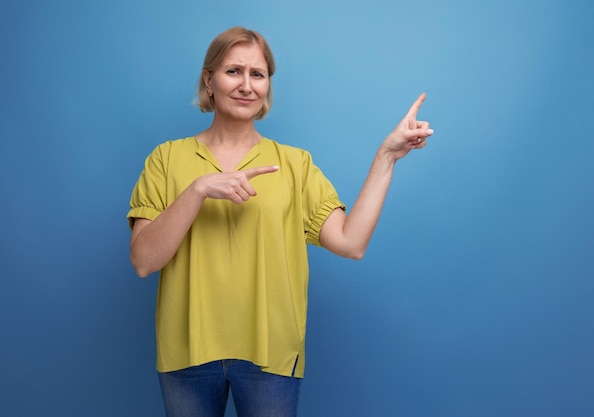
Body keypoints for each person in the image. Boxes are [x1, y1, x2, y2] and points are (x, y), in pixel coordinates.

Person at [127, 26, 433, 417]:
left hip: (271, 357)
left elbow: (351, 242)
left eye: (258, 74)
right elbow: (143, 261)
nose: (247, 85)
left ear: (268, 85)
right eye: (233, 71)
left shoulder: (295, 165)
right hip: (187, 354)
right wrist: (198, 190)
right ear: (209, 80)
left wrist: (386, 157)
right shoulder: (166, 160)